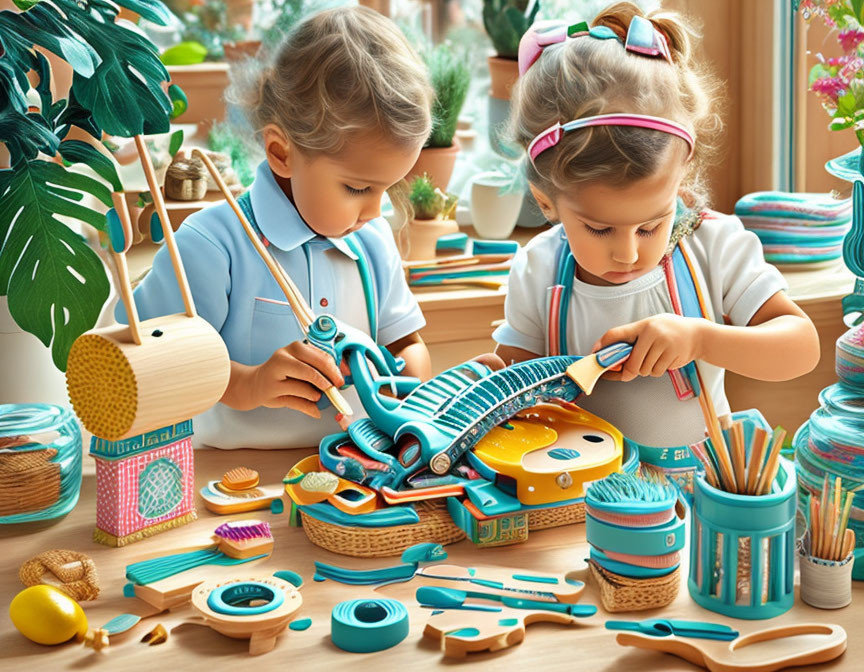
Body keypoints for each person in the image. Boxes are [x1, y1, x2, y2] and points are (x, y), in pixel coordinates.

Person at [493, 3, 820, 482]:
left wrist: (701, 338)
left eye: (651, 226)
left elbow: (801, 348)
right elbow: (517, 389)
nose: (627, 253)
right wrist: (492, 384)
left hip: (701, 493)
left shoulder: (714, 246)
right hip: (577, 502)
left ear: (680, 178)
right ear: (546, 201)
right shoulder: (537, 270)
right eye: (599, 229)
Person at [120, 6, 434, 448]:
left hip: (354, 468)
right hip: (227, 479)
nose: (376, 211)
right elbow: (155, 360)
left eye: (388, 189)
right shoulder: (212, 244)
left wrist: (411, 387)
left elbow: (408, 346)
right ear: (281, 153)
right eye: (358, 187)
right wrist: (249, 385)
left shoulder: (372, 240)